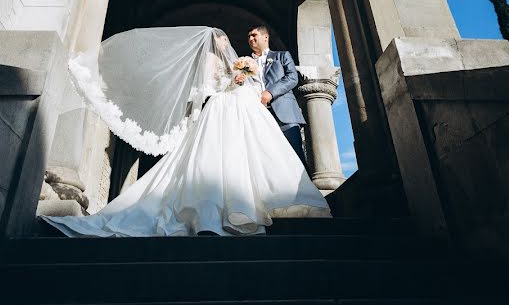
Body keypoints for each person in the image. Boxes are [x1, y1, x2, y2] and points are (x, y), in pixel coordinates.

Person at [41, 26, 330, 237]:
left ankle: (265, 198)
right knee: (216, 154)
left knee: (250, 151)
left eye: (228, 41)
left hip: (250, 107)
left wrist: (243, 79)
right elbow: (209, 86)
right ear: (213, 42)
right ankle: (217, 208)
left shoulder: (251, 59)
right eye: (223, 40)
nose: (228, 44)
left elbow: (270, 82)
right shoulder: (211, 62)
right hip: (222, 107)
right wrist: (234, 79)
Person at [246, 25, 308, 168]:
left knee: (296, 157)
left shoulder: (282, 56)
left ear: (265, 37)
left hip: (285, 114)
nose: (250, 39)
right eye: (249, 37)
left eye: (254, 35)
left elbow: (292, 78)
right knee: (270, 162)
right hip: (259, 116)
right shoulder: (246, 64)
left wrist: (271, 92)